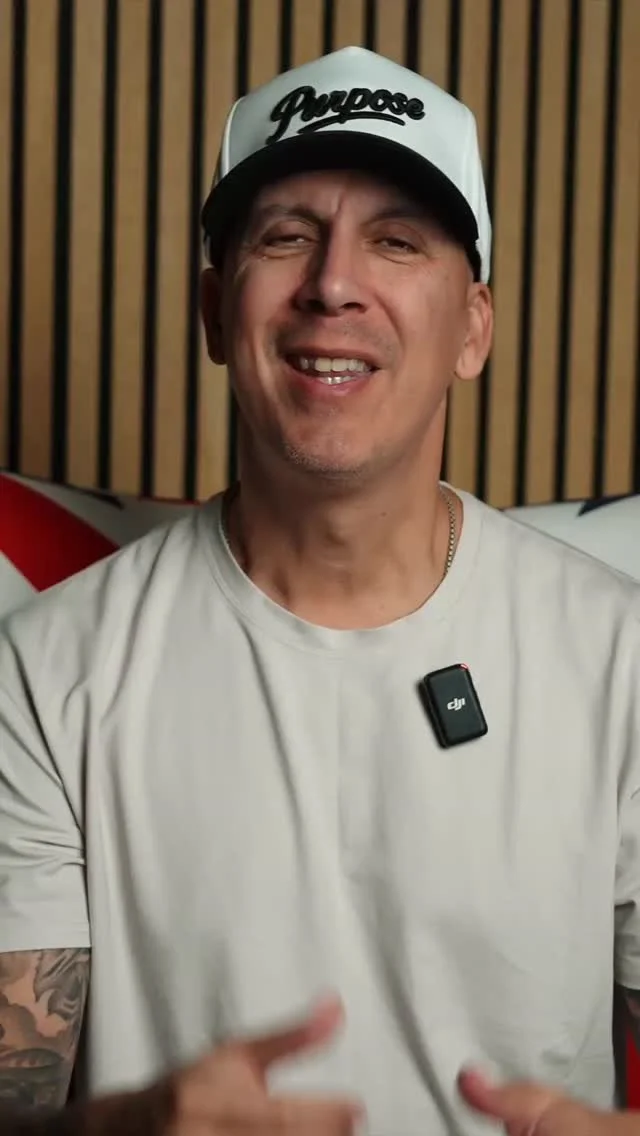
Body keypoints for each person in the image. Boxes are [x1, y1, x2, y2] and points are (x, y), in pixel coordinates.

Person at [0, 43, 639, 1136]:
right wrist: (114, 1131)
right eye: (286, 236)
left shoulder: (619, 657)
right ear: (215, 310)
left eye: (397, 240)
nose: (334, 283)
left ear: (473, 327)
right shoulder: (44, 670)